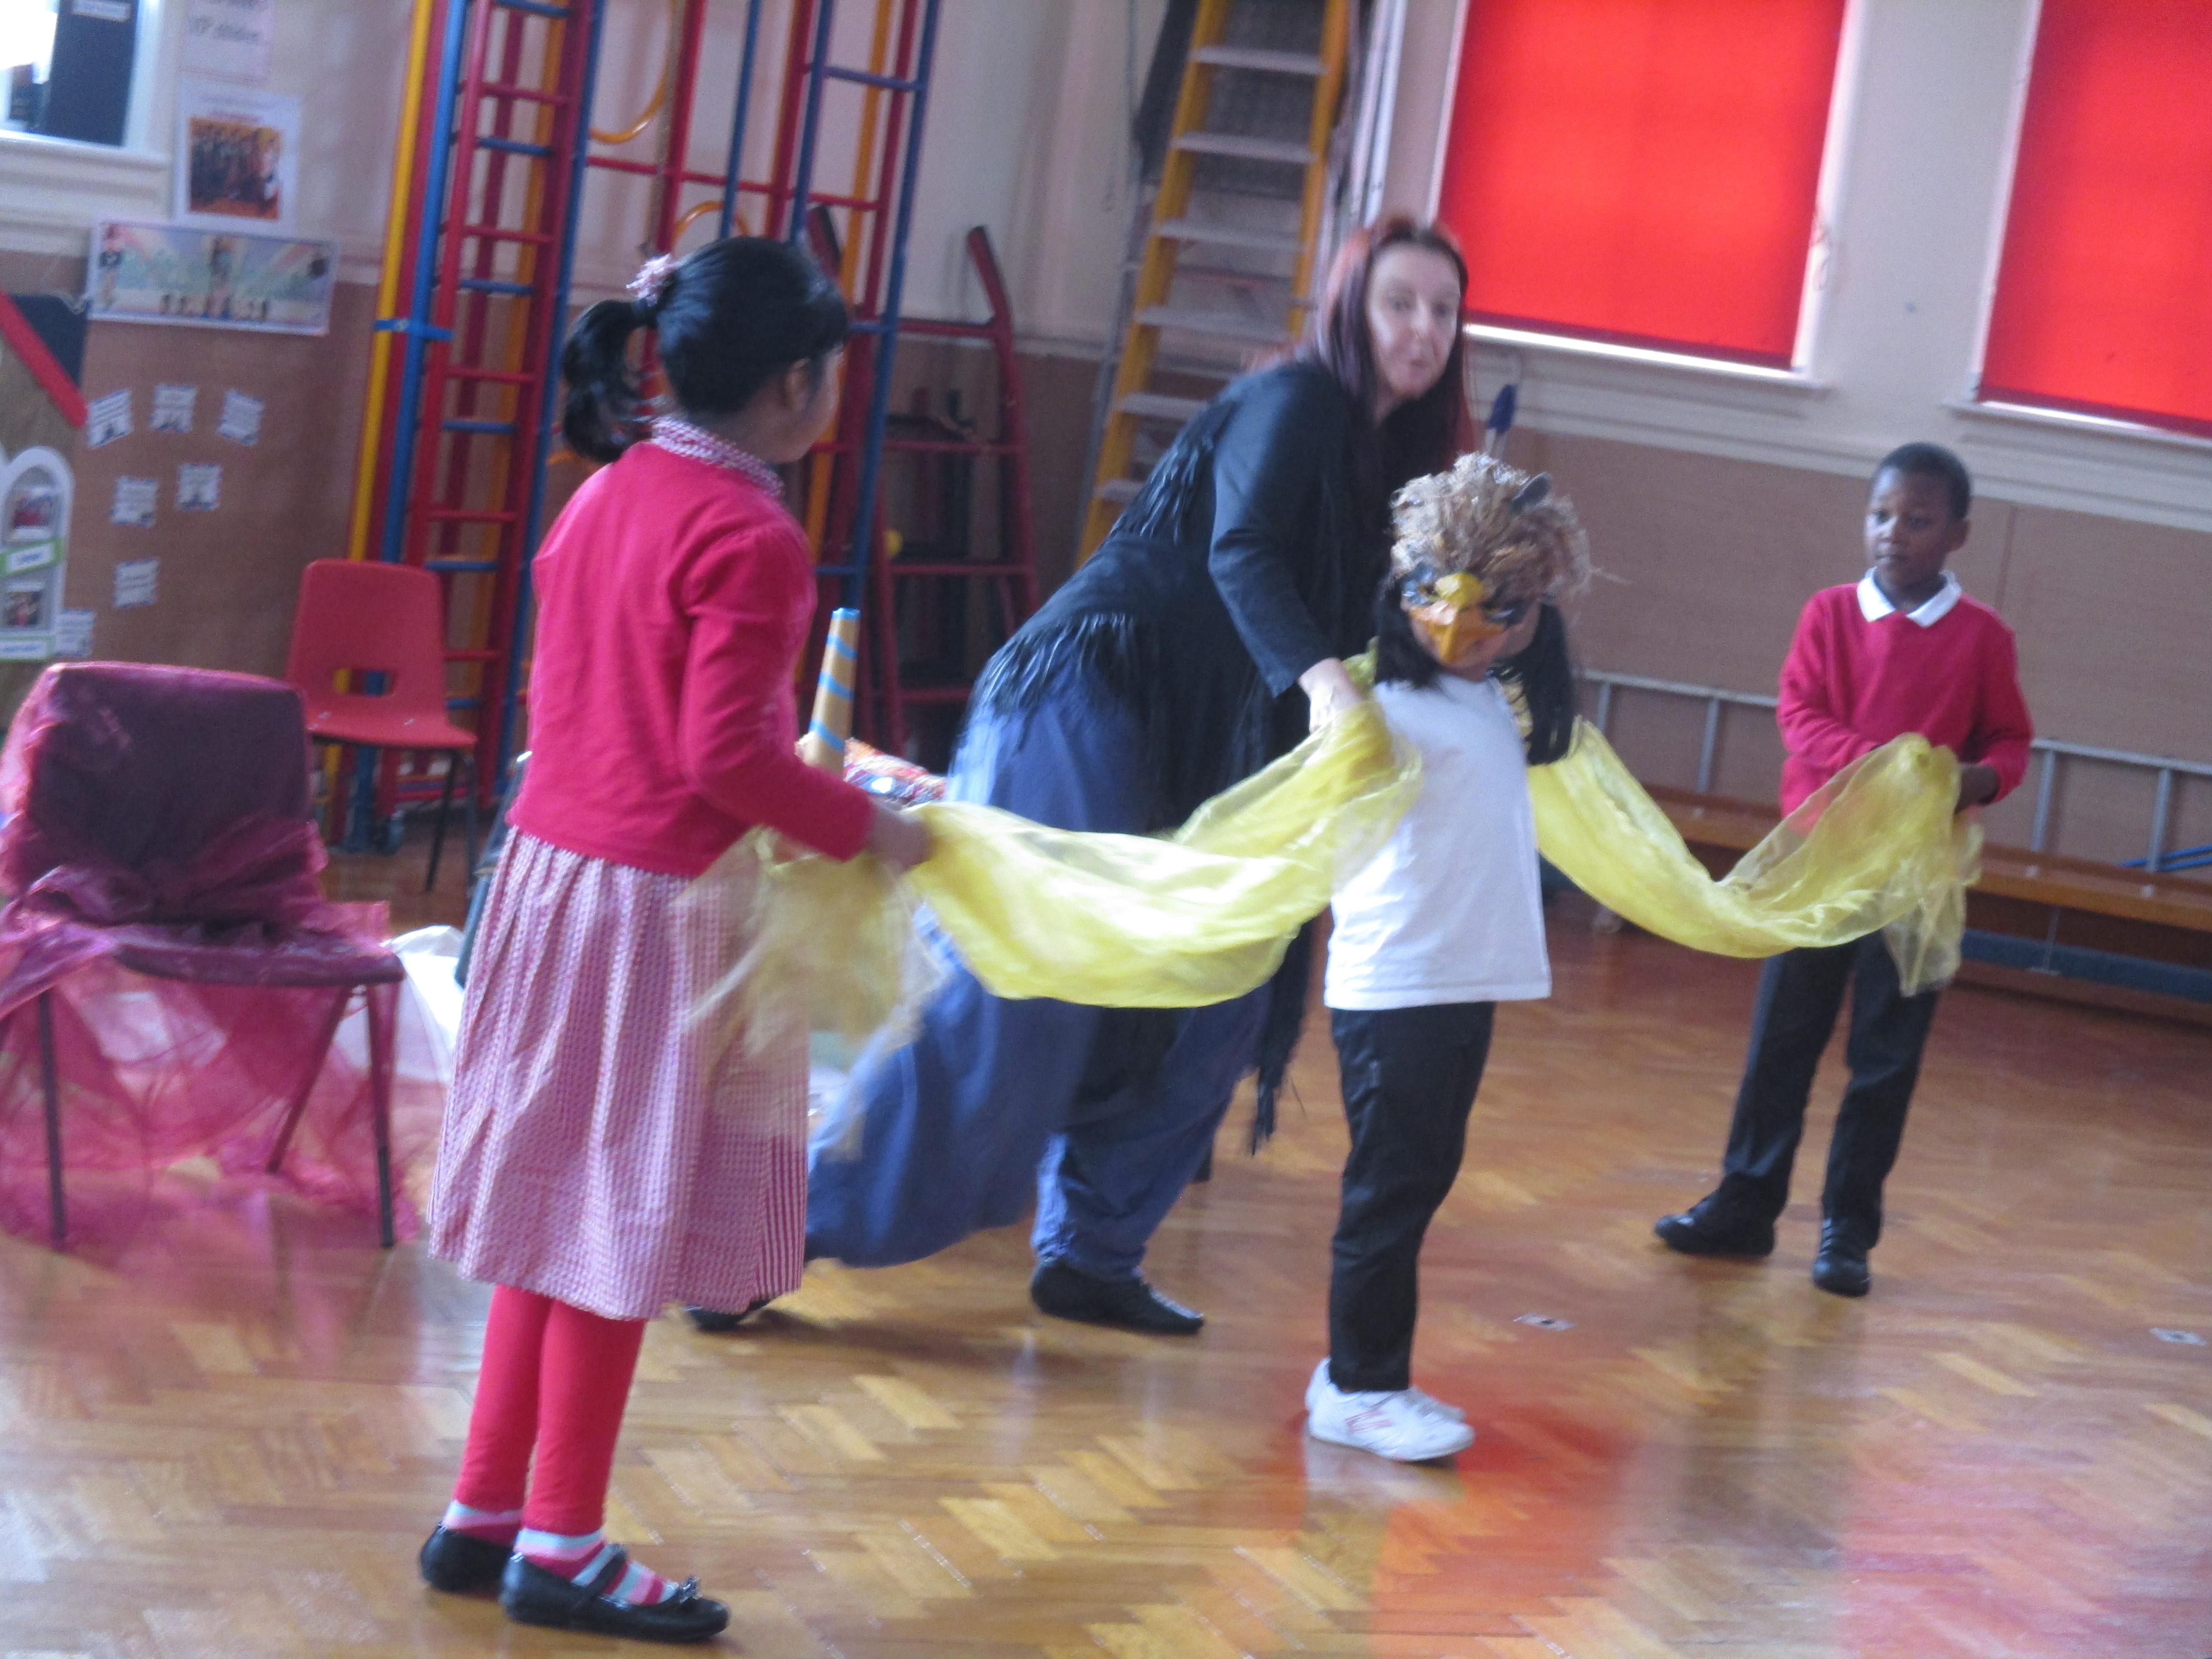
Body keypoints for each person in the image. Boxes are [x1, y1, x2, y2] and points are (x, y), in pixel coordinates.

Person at [794, 217, 1475, 1335]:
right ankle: (780, 1231)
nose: (1422, 329)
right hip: (1092, 694)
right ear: (1349, 309)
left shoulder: (1397, 468)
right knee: (1020, 988)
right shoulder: (1297, 399)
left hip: (1211, 745)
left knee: (1221, 996)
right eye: (1397, 303)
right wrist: (1323, 684)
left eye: (1441, 311)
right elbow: (1241, 551)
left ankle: (1093, 1254)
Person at [416, 238, 929, 1644]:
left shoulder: (609, 491)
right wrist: (867, 829)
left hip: (550, 883)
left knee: (552, 1217)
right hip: (649, 912)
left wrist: (825, 792)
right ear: (798, 384)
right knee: (610, 1224)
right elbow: (722, 759)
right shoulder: (752, 534)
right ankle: (564, 1542)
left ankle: (485, 1512)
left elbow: (629, 713)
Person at [1654, 442, 2032, 1298]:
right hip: (1817, 864)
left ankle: (1846, 1233)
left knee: (1885, 1057)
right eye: (1880, 515)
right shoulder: (1828, 614)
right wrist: (1880, 767)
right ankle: (1744, 1206)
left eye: (1917, 519)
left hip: (1912, 876)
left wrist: (1977, 781)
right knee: (1782, 1039)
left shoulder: (1983, 638)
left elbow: (2009, 740)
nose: (1893, 532)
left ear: (1957, 535)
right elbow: (1799, 713)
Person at [1302, 452, 1588, 1462]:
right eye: (1443, 601)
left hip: (1459, 982)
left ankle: (1354, 1370)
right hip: (1397, 986)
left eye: (1499, 611)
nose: (1466, 630)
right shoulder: (1379, 708)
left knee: (1417, 1179)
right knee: (1388, 1188)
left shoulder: (1487, 702)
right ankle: (1359, 1388)